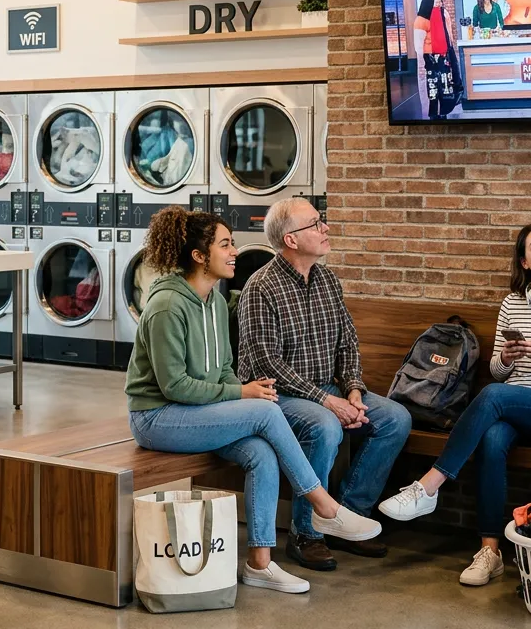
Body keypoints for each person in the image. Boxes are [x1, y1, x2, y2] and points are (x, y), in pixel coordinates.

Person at [125, 207, 383, 595]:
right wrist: (241, 394)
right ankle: (324, 507)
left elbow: (226, 368)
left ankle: (259, 563)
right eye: (225, 244)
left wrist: (235, 389)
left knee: (261, 451)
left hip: (199, 411)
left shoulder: (214, 299)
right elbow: (174, 386)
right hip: (158, 417)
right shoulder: (167, 306)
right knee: (264, 410)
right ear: (199, 256)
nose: (234, 252)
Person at [379, 222, 531, 585]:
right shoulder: (512, 304)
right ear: (524, 261)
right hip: (513, 402)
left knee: (492, 396)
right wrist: (506, 357)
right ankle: (490, 551)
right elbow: (498, 373)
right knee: (492, 437)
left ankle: (428, 486)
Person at [236, 197, 412, 572]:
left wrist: (352, 389)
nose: (325, 228)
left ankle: (347, 516)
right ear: (291, 240)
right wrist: (329, 403)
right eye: (315, 224)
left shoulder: (328, 279)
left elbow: (348, 341)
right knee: (323, 425)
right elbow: (269, 364)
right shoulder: (260, 287)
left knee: (396, 418)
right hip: (272, 396)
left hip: (326, 390)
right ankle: (305, 532)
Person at [412, 0, 461, 120]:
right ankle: (433, 114)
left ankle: (443, 111)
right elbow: (418, 46)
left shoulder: (442, 13)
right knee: (432, 86)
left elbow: (448, 37)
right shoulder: (422, 19)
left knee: (444, 85)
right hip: (430, 59)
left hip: (442, 56)